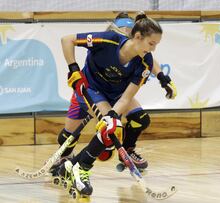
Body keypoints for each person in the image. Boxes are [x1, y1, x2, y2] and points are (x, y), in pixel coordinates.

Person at [54, 12, 175, 196]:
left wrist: (112, 116)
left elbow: (126, 98)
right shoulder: (108, 40)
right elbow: (66, 40)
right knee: (109, 130)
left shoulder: (145, 62)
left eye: (156, 45)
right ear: (137, 37)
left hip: (115, 94)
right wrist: (73, 70)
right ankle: (79, 167)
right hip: (90, 88)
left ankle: (75, 166)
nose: (153, 49)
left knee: (112, 126)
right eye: (151, 44)